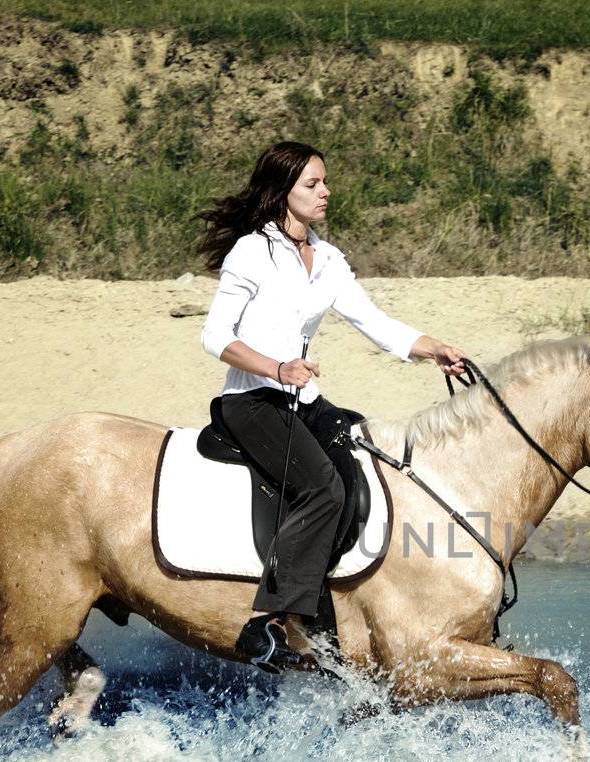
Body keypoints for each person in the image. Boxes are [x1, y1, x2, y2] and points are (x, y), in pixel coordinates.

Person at [197, 141, 467, 672]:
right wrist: (276, 368)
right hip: (252, 399)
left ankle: (334, 607)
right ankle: (268, 621)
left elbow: (377, 323)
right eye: (312, 185)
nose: (326, 192)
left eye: (324, 182)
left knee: (362, 464)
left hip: (304, 399)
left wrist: (433, 347)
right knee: (323, 486)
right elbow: (214, 336)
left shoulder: (327, 259)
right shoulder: (252, 252)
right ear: (282, 193)